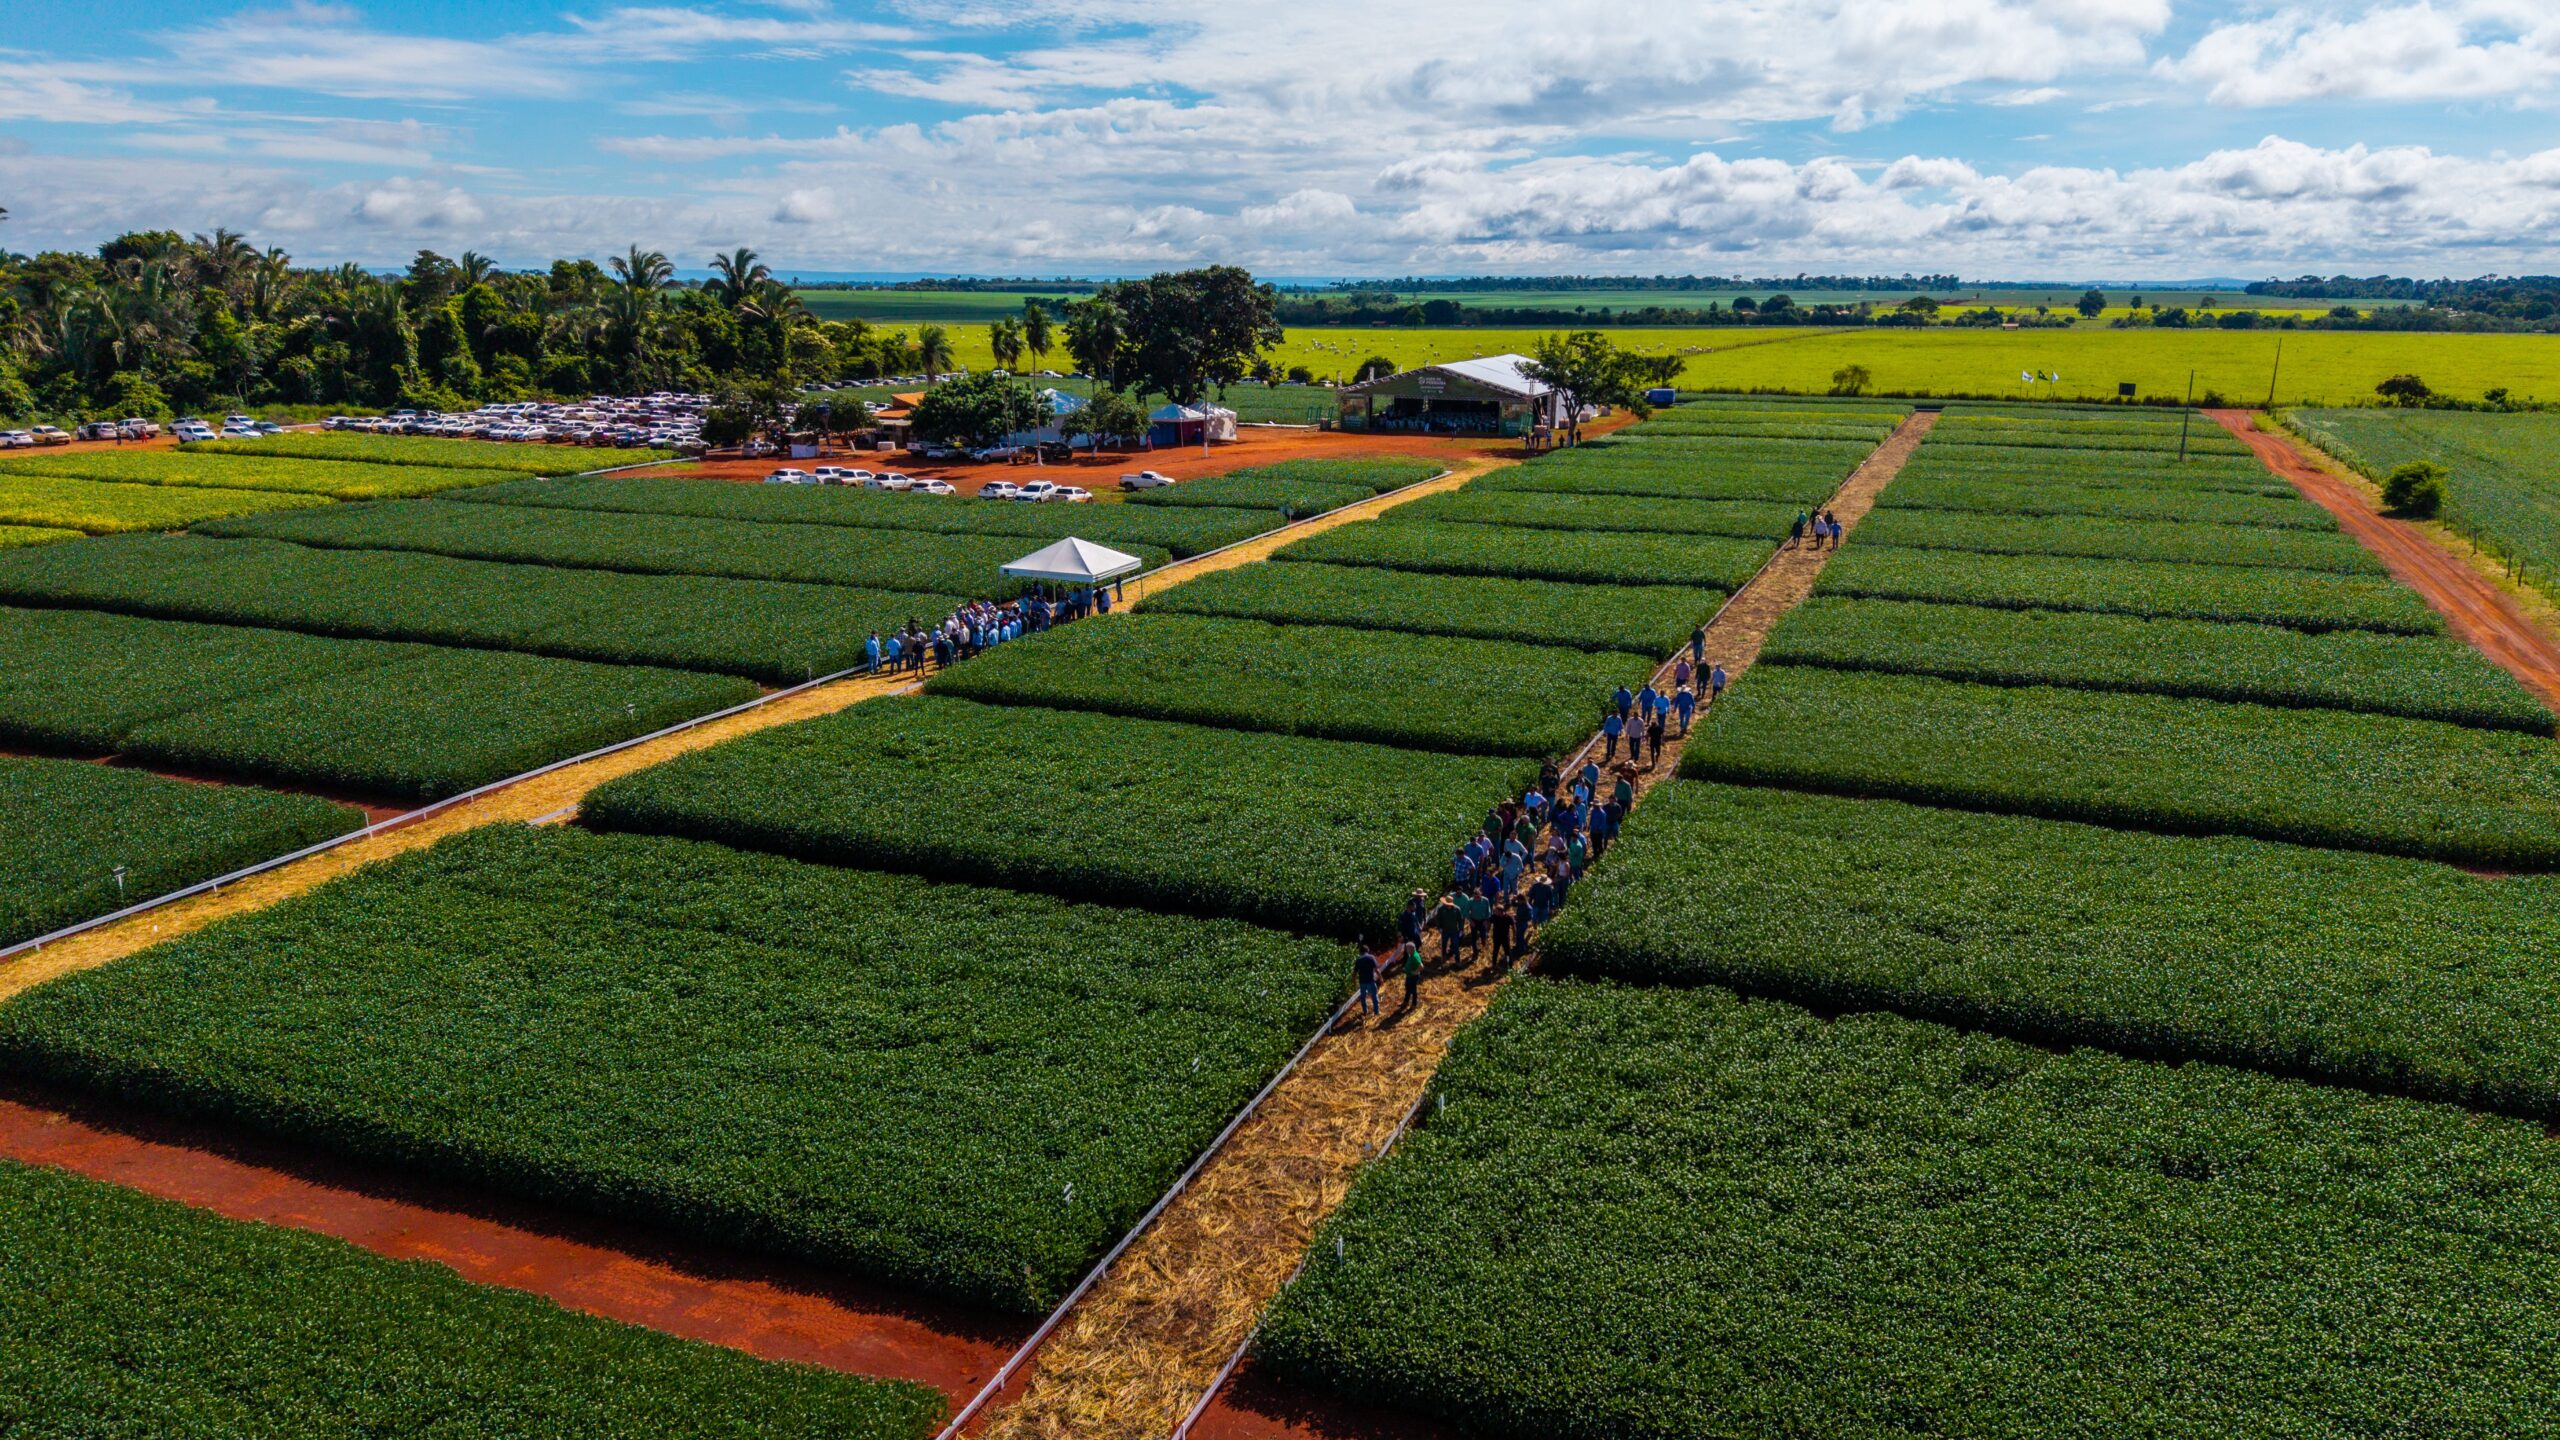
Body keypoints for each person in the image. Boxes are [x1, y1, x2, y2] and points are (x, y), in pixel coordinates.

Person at [1354, 944, 1381, 1017]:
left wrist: (1354, 982)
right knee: (1374, 995)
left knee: (1363, 997)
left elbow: (1355, 973)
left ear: (1360, 952)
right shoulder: (1371, 957)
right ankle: (1376, 1011)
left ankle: (1365, 1011)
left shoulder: (1358, 960)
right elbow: (1376, 969)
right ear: (1368, 950)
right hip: (1370, 980)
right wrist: (1380, 977)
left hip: (1362, 982)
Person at [1399, 941, 1423, 1010]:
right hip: (1409, 976)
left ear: (1411, 948)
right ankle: (1406, 1002)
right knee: (1408, 989)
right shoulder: (1411, 954)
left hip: (1413, 977)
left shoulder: (1415, 956)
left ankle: (1414, 1004)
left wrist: (1415, 972)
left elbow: (1421, 966)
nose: (1406, 950)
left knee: (1413, 990)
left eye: (1407, 948)